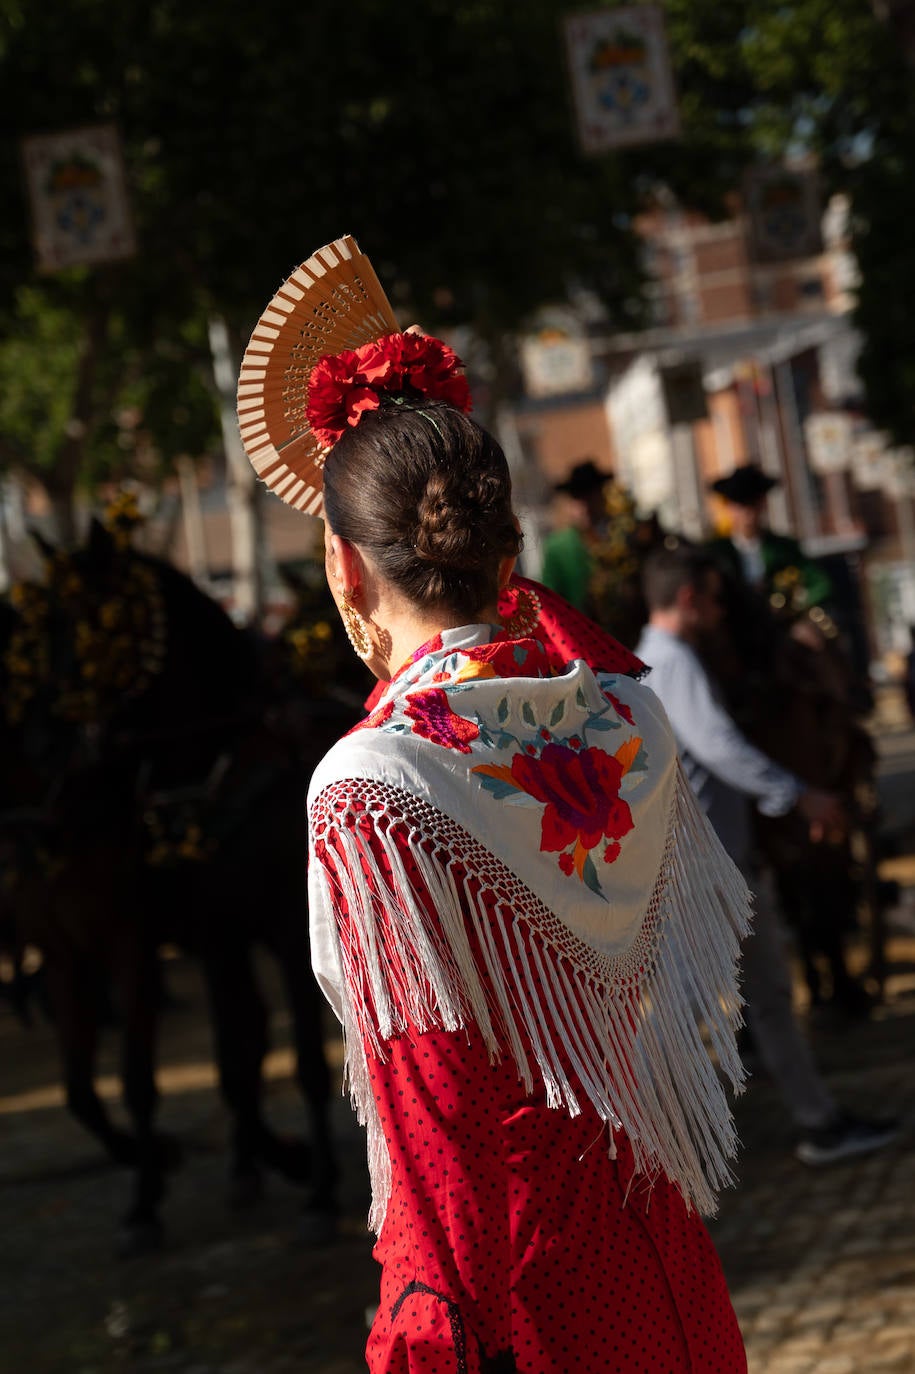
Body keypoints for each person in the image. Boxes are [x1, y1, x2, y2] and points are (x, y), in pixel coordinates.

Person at [301, 332, 751, 1371]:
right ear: (504, 552)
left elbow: (436, 1124)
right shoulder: (623, 714)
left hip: (528, 1297)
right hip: (668, 1255)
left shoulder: (376, 785)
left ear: (344, 565)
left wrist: (431, 1346)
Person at [636, 542, 899, 1168]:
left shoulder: (656, 661)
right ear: (689, 598)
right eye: (714, 599)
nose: (721, 611)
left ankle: (819, 1121)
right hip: (706, 869)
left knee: (763, 998)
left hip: (714, 863)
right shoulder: (673, 662)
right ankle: (620, 1143)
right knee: (683, 1007)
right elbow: (719, 745)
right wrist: (798, 795)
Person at [706, 462, 833, 617]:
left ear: (762, 505)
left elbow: (819, 584)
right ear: (729, 508)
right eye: (741, 505)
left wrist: (795, 607)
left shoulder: (783, 547)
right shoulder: (716, 552)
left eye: (753, 504)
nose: (748, 513)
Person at [538, 458, 608, 611]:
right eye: (578, 498)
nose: (585, 506)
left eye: (590, 495)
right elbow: (549, 600)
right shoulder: (558, 547)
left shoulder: (620, 535)